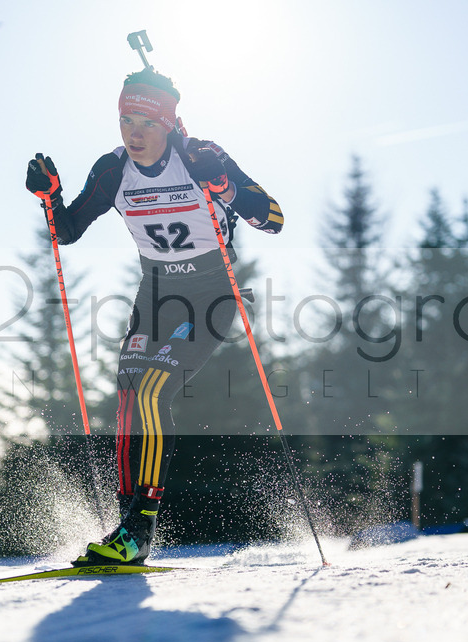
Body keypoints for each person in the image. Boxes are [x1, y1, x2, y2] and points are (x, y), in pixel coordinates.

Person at [25, 66, 283, 564]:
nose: (134, 133)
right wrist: (49, 197)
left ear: (168, 123)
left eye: (146, 121)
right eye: (126, 120)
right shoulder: (113, 169)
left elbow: (272, 218)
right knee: (128, 397)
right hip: (157, 295)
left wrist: (224, 186)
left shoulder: (200, 157)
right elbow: (68, 230)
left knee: (150, 389)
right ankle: (127, 529)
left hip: (212, 294)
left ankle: (138, 531)